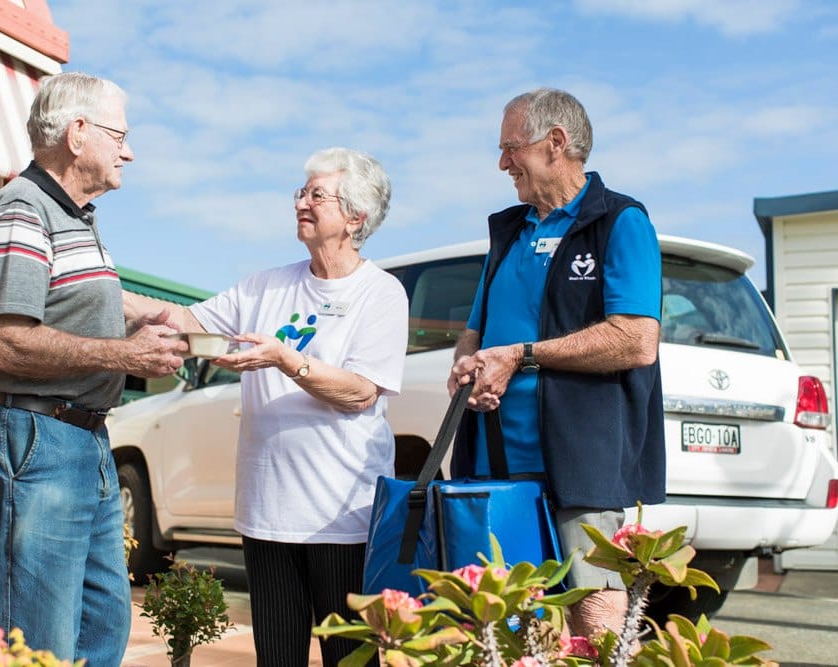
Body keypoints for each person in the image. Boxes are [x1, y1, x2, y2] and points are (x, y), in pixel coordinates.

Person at [0, 72, 187, 666]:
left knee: (101, 620)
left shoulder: (73, 216)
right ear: (78, 133)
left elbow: (87, 296)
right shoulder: (21, 209)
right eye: (120, 135)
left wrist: (165, 315)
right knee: (36, 637)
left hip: (80, 436)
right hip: (32, 435)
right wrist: (126, 355)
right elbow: (3, 342)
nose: (129, 151)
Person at [164, 147, 407, 666]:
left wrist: (285, 359)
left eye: (317, 195)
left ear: (356, 217)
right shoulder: (265, 284)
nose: (302, 203)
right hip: (266, 514)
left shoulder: (381, 294)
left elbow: (361, 391)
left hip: (341, 516)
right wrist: (110, 294)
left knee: (350, 658)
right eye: (302, 192)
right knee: (276, 659)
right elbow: (190, 319)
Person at [447, 88, 665, 639]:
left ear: (556, 143)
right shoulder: (510, 230)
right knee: (510, 625)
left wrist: (522, 356)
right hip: (497, 463)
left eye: (510, 148)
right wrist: (468, 369)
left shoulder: (619, 221)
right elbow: (475, 332)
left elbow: (636, 339)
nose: (502, 164)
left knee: (594, 621)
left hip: (582, 465)